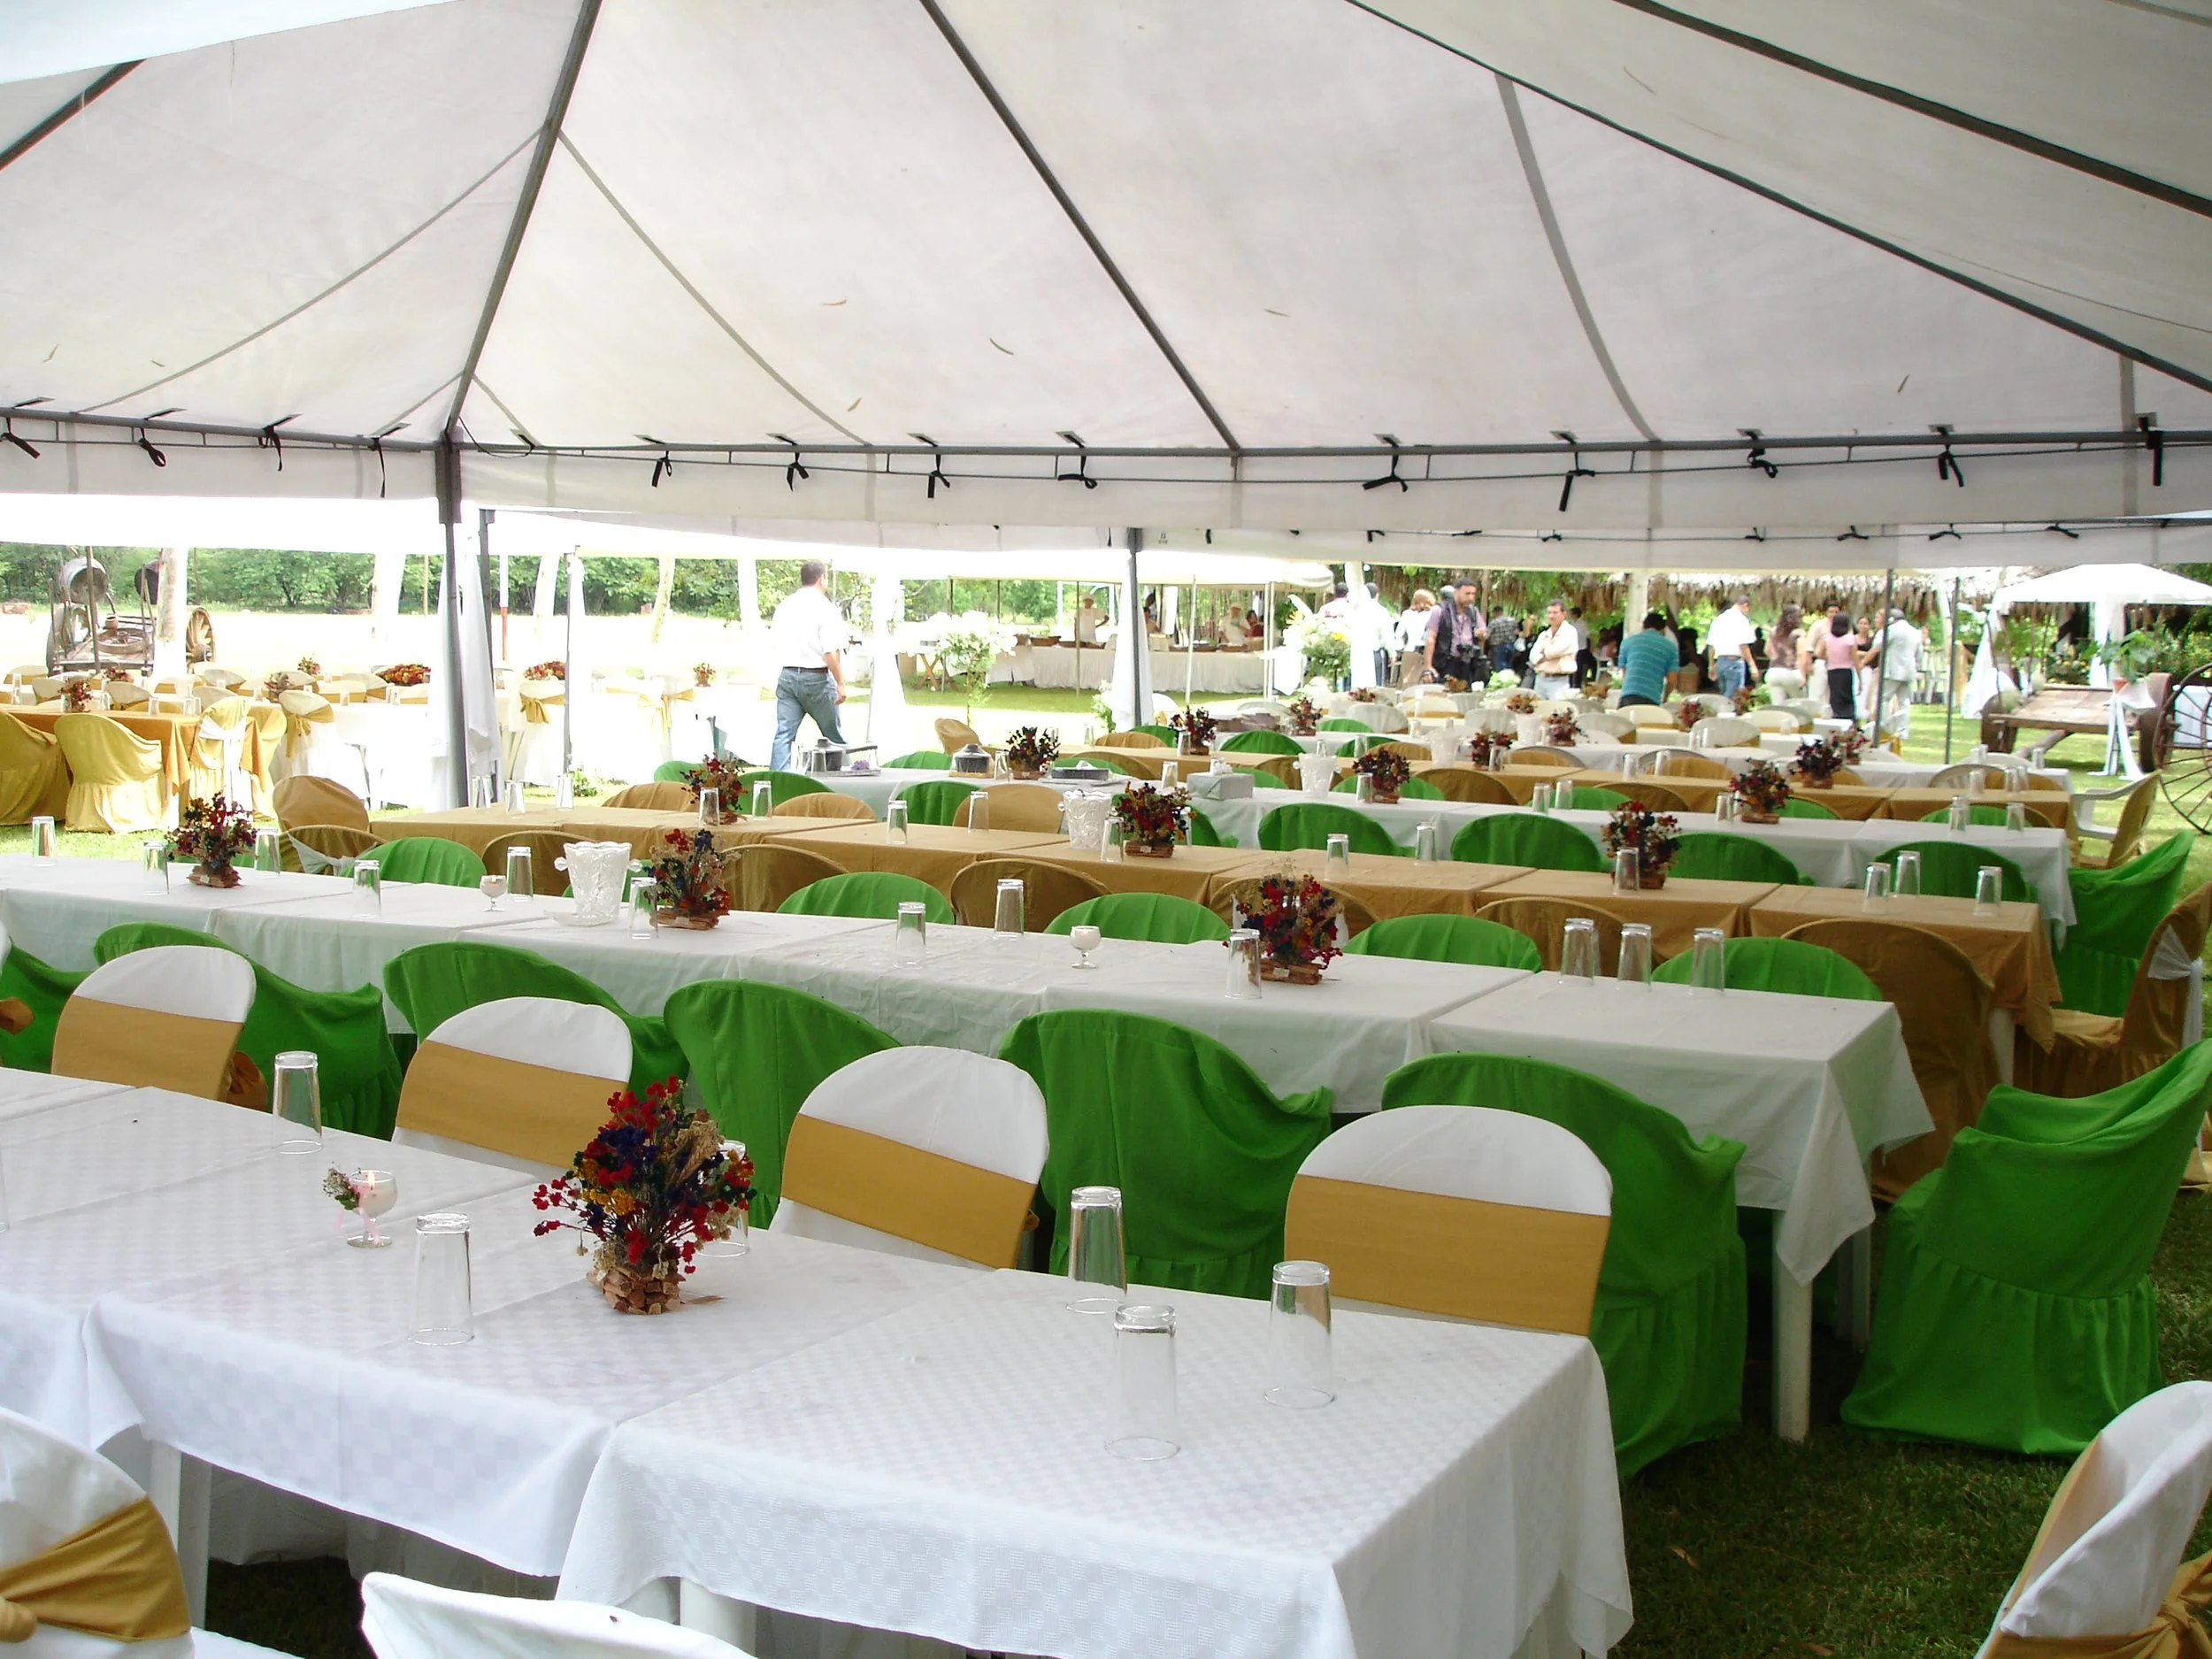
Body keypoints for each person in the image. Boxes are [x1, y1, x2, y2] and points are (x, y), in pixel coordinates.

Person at [769, 559, 849, 772]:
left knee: (784, 734)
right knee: (833, 736)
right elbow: (830, 651)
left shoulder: (785, 605)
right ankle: (841, 780)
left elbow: (775, 640)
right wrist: (841, 682)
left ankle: (777, 780)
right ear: (822, 578)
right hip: (816, 677)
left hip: (787, 674)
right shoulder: (825, 608)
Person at [1867, 606, 1924, 739]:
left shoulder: (1890, 630)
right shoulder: (1915, 632)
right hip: (1909, 671)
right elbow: (1919, 654)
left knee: (1884, 699)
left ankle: (1884, 728)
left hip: (1892, 671)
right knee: (1904, 702)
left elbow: (1877, 646)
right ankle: (1903, 731)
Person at [1617, 611, 1677, 706]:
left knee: (1624, 720)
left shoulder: (1627, 642)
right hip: (1651, 698)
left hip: (1627, 695)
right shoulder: (1671, 647)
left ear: (1643, 627)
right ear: (1663, 629)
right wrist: (1665, 698)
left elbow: (1625, 674)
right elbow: (1672, 680)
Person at [1706, 593, 1757, 699]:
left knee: (1724, 694)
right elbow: (1743, 645)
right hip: (1734, 662)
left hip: (1720, 662)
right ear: (1745, 605)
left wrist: (1711, 665)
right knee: (1734, 698)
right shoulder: (1741, 620)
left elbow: (1711, 646)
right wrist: (1752, 665)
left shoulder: (1718, 619)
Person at [1529, 599, 1578, 699]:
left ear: (1563, 614)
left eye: (1555, 613)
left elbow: (1554, 652)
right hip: (1540, 679)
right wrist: (1542, 657)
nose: (1551, 616)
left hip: (1558, 681)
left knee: (1557, 711)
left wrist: (1543, 655)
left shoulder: (1570, 632)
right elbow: (1533, 656)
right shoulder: (1544, 634)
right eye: (1549, 613)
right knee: (1538, 711)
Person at [1816, 611, 1859, 719]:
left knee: (1835, 696)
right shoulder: (1850, 638)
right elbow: (1855, 658)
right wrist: (1859, 675)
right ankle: (1848, 718)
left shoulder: (1827, 637)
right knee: (1847, 697)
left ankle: (1836, 717)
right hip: (1845, 671)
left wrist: (1830, 656)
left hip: (1832, 670)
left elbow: (1819, 653)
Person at [1395, 588, 1436, 685]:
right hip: (1426, 653)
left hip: (1409, 652)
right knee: (1423, 686)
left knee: (1407, 685)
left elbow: (1399, 634)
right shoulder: (1432, 615)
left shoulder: (1406, 614)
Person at [1765, 604, 1808, 696]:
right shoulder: (1799, 633)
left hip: (1774, 672)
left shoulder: (1774, 631)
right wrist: (1803, 676)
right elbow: (1801, 655)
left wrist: (1775, 658)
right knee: (1798, 705)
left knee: (1778, 707)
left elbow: (1767, 650)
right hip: (1791, 671)